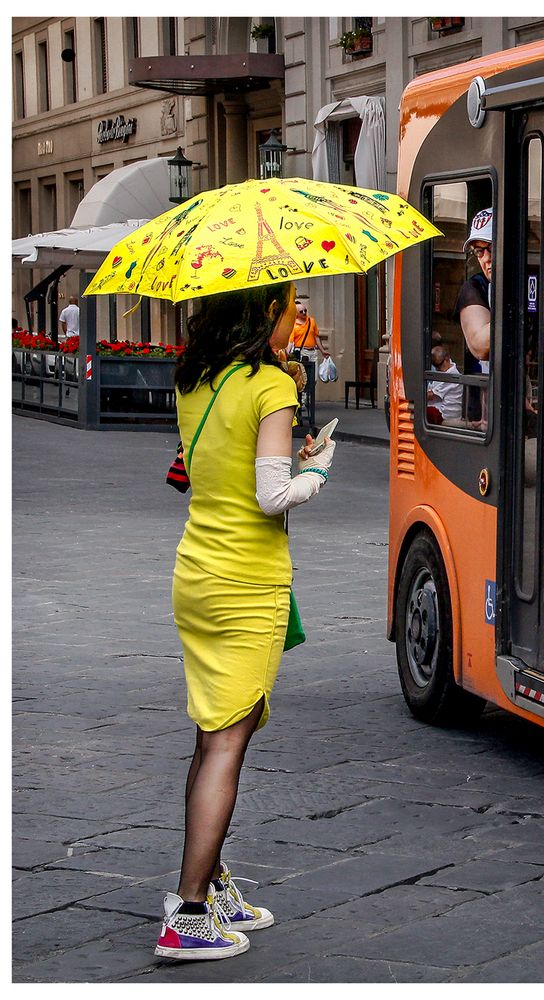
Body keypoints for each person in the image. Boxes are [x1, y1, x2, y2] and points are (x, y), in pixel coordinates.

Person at [156, 282, 336, 962]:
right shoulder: (270, 386)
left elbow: (223, 474)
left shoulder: (196, 375)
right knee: (227, 742)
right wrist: (316, 468)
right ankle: (190, 914)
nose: (299, 319)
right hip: (246, 582)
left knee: (213, 733)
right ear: (267, 313)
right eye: (292, 308)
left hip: (197, 572)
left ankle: (213, 881)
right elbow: (270, 496)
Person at [454, 207, 492, 427]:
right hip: (483, 407)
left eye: (490, 248)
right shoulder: (474, 287)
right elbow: (480, 345)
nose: (486, 258)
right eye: (479, 252)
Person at [426, 345, 463, 422]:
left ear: (446, 358)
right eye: (435, 366)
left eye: (439, 365)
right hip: (440, 410)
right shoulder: (445, 371)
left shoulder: (451, 375)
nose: (437, 369)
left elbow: (430, 396)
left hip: (445, 415)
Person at [288, 298, 329, 364]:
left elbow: (316, 337)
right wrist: (287, 354)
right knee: (304, 372)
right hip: (302, 351)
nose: (304, 313)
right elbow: (290, 341)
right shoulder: (293, 324)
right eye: (301, 312)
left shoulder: (311, 321)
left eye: (305, 310)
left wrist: (322, 351)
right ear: (296, 314)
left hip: (313, 352)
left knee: (313, 372)